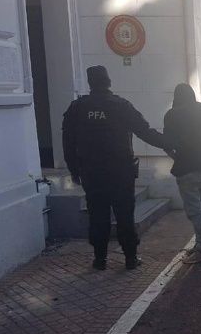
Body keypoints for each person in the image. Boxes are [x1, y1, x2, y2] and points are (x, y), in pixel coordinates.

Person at [63, 66, 166, 271]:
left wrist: (74, 171)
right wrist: (169, 144)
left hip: (91, 173)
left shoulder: (77, 108)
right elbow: (145, 132)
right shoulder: (121, 106)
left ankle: (100, 259)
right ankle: (130, 258)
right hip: (121, 172)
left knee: (97, 215)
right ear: (108, 81)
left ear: (90, 83)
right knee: (124, 215)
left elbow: (67, 142)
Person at [163, 84, 201, 264]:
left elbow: (167, 142)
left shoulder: (172, 114)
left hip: (187, 168)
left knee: (195, 211)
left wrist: (176, 157)